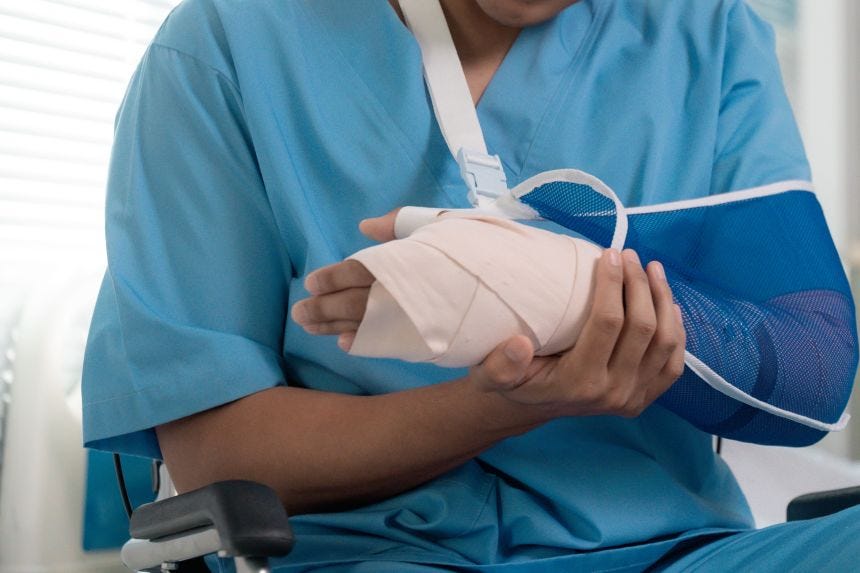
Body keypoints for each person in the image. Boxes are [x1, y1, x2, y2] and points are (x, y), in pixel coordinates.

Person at [82, 0, 859, 570]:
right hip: (377, 554)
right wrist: (502, 404)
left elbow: (815, 362)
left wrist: (592, 303)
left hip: (680, 550)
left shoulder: (705, 32)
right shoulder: (225, 49)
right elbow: (219, 452)